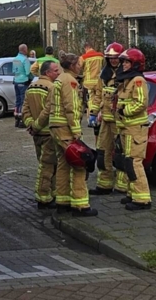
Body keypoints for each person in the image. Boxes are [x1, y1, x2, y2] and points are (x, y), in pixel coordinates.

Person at [44, 55, 97, 217]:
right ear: (72, 65)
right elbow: (71, 107)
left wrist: (37, 125)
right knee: (79, 163)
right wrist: (76, 132)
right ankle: (81, 205)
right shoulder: (70, 81)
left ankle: (63, 201)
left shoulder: (59, 79)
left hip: (55, 127)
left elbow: (49, 107)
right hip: (65, 128)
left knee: (63, 164)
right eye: (78, 64)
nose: (80, 67)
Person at [115, 48, 151, 211]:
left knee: (134, 162)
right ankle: (132, 193)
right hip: (126, 128)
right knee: (127, 161)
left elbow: (141, 102)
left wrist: (124, 111)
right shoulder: (126, 80)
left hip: (135, 128)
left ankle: (142, 199)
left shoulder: (138, 80)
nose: (124, 65)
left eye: (127, 62)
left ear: (136, 64)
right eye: (123, 62)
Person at [89, 42, 123, 196]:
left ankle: (123, 186)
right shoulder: (104, 75)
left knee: (121, 153)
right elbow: (97, 94)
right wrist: (93, 113)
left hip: (119, 121)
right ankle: (105, 184)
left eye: (116, 58)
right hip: (105, 121)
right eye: (111, 58)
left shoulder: (125, 74)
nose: (113, 61)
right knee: (102, 152)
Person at [24, 61, 58, 208]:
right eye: (55, 71)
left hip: (36, 134)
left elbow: (25, 109)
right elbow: (49, 111)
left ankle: (51, 192)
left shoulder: (31, 87)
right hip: (47, 133)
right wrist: (37, 125)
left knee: (42, 163)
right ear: (47, 73)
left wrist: (30, 124)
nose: (58, 73)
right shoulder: (52, 87)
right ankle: (44, 197)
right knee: (48, 166)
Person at [79, 42, 104, 114]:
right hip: (99, 81)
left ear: (86, 48)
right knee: (99, 99)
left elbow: (79, 67)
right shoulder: (100, 56)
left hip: (88, 82)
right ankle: (99, 115)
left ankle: (91, 115)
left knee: (90, 100)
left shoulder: (83, 57)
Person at [13, 44, 33, 128]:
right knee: (23, 101)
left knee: (17, 101)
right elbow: (28, 72)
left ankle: (17, 119)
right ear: (25, 50)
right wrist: (31, 78)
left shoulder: (15, 59)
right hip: (23, 81)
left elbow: (14, 70)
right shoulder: (25, 60)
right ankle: (22, 120)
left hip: (16, 81)